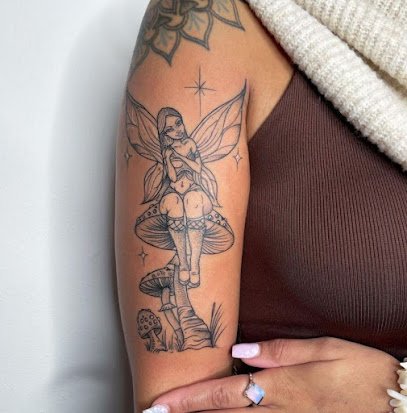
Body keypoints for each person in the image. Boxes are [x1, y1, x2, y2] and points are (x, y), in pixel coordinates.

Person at [114, 0, 407, 411]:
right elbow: (176, 403)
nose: (174, 133)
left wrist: (399, 395)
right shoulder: (205, 21)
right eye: (169, 129)